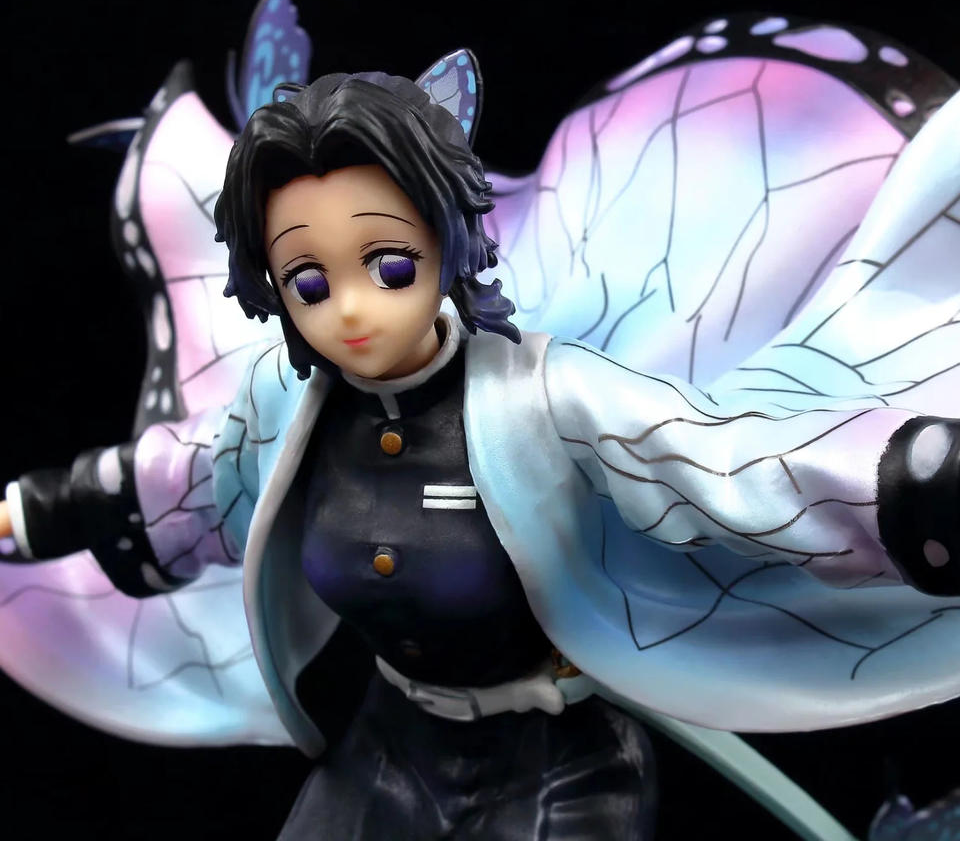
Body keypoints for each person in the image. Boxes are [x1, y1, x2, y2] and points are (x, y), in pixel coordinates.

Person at [2, 54, 960, 839]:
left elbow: (728, 472)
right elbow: (185, 489)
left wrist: (913, 494)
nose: (352, 312)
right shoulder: (282, 406)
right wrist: (38, 512)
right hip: (388, 753)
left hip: (558, 765)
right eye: (309, 283)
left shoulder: (549, 395)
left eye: (388, 265)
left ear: (445, 239)